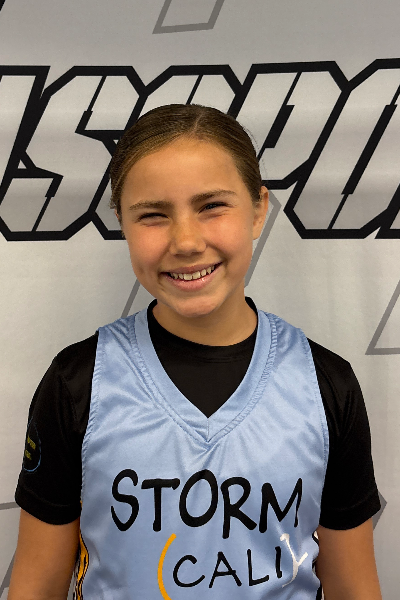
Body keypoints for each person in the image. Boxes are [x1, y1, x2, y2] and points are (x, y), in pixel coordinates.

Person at [9, 104, 382, 600]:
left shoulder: (325, 383)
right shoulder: (77, 381)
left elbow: (354, 587)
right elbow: (35, 586)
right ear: (122, 221)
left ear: (258, 209)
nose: (186, 241)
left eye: (211, 206)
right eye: (153, 215)